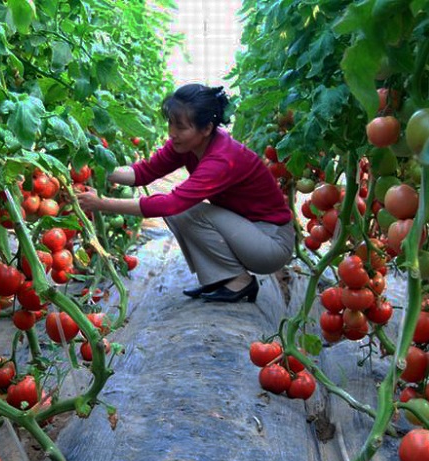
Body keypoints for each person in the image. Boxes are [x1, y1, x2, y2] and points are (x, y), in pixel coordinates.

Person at [76, 83, 295, 303]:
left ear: (207, 128)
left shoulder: (222, 158)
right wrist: (90, 166)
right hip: (246, 232)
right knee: (181, 211)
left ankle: (239, 281)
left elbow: (169, 205)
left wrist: (101, 203)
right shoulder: (188, 145)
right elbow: (144, 172)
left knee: (182, 209)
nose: (172, 132)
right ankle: (222, 279)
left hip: (271, 243)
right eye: (171, 122)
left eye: (180, 127)